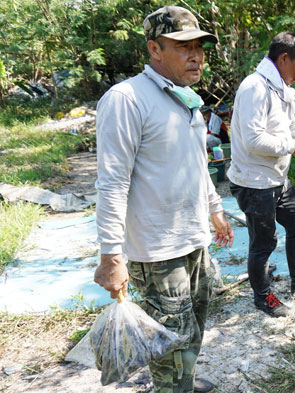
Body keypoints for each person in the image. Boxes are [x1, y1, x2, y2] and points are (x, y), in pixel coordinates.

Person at [93, 6, 233, 393]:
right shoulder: (126, 100)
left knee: (193, 330)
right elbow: (112, 182)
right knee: (170, 346)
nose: (196, 55)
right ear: (155, 49)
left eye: (200, 47)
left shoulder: (185, 98)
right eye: (183, 46)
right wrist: (111, 256)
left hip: (193, 238)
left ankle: (183, 383)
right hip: (156, 250)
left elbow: (196, 163)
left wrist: (215, 209)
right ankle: (175, 387)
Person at [227, 32, 295, 317]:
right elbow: (254, 140)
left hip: (277, 178)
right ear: (283, 58)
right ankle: (262, 297)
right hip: (254, 181)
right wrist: (294, 146)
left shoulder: (281, 89)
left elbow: (289, 128)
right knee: (263, 242)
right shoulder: (255, 87)